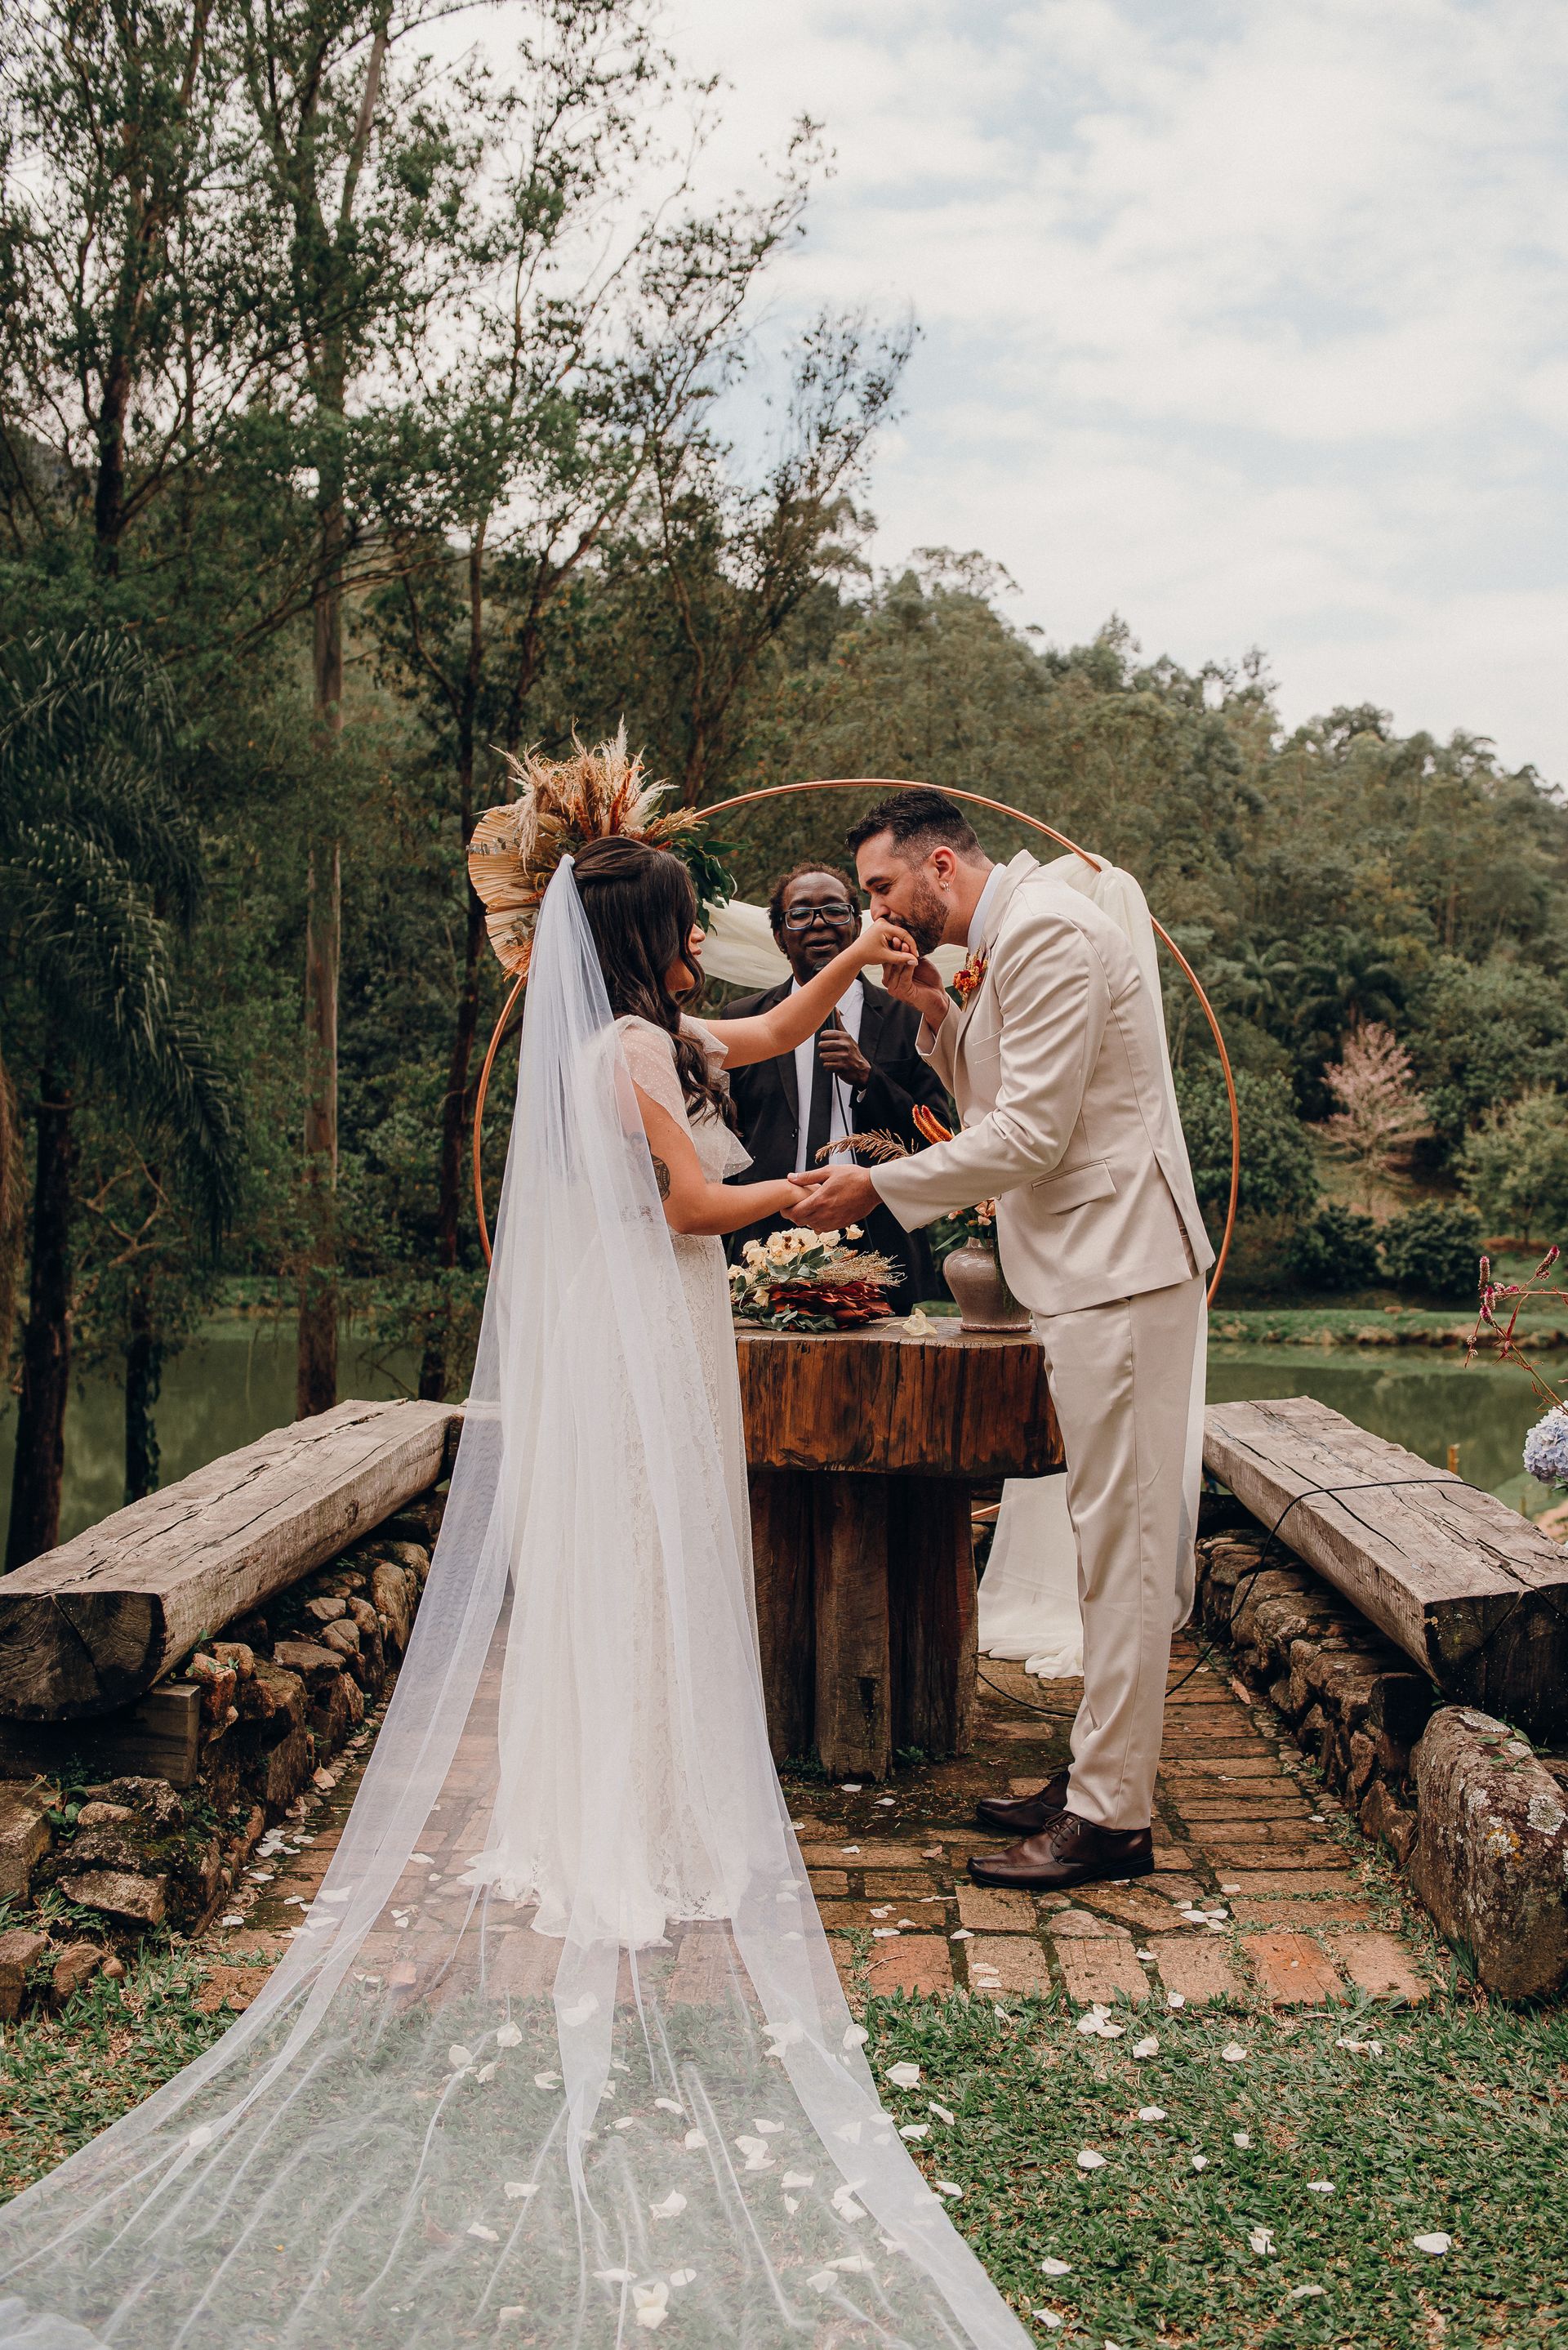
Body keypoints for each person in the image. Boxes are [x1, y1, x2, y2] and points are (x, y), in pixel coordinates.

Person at [0, 808, 1033, 2350]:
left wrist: (850, 981)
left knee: (659, 1563)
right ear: (640, 937)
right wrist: (819, 1199)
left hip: (657, 1331)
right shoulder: (618, 1058)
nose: (705, 942)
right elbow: (690, 1206)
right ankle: (628, 1811)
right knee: (643, 1557)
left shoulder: (648, 1031)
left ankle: (651, 1785)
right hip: (645, 1336)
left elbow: (750, 1030)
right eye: (685, 921)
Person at [795, 787, 1214, 1897]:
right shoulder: (1001, 943)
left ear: (940, 864)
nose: (872, 909)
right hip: (1089, 1271)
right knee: (1098, 1538)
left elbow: (1029, 1136)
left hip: (1121, 1270)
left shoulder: (1051, 935)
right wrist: (936, 1012)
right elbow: (998, 1110)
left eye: (881, 887)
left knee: (1120, 1546)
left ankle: (1112, 1819)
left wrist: (873, 1185)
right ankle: (1093, 1773)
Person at [722, 860, 951, 1309]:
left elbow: (936, 1135)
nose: (819, 923)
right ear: (778, 934)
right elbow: (725, 1137)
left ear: (858, 924)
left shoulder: (909, 1015)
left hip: (878, 1239)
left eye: (835, 910)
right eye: (801, 913)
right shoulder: (742, 1020)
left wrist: (869, 1079)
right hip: (766, 1242)